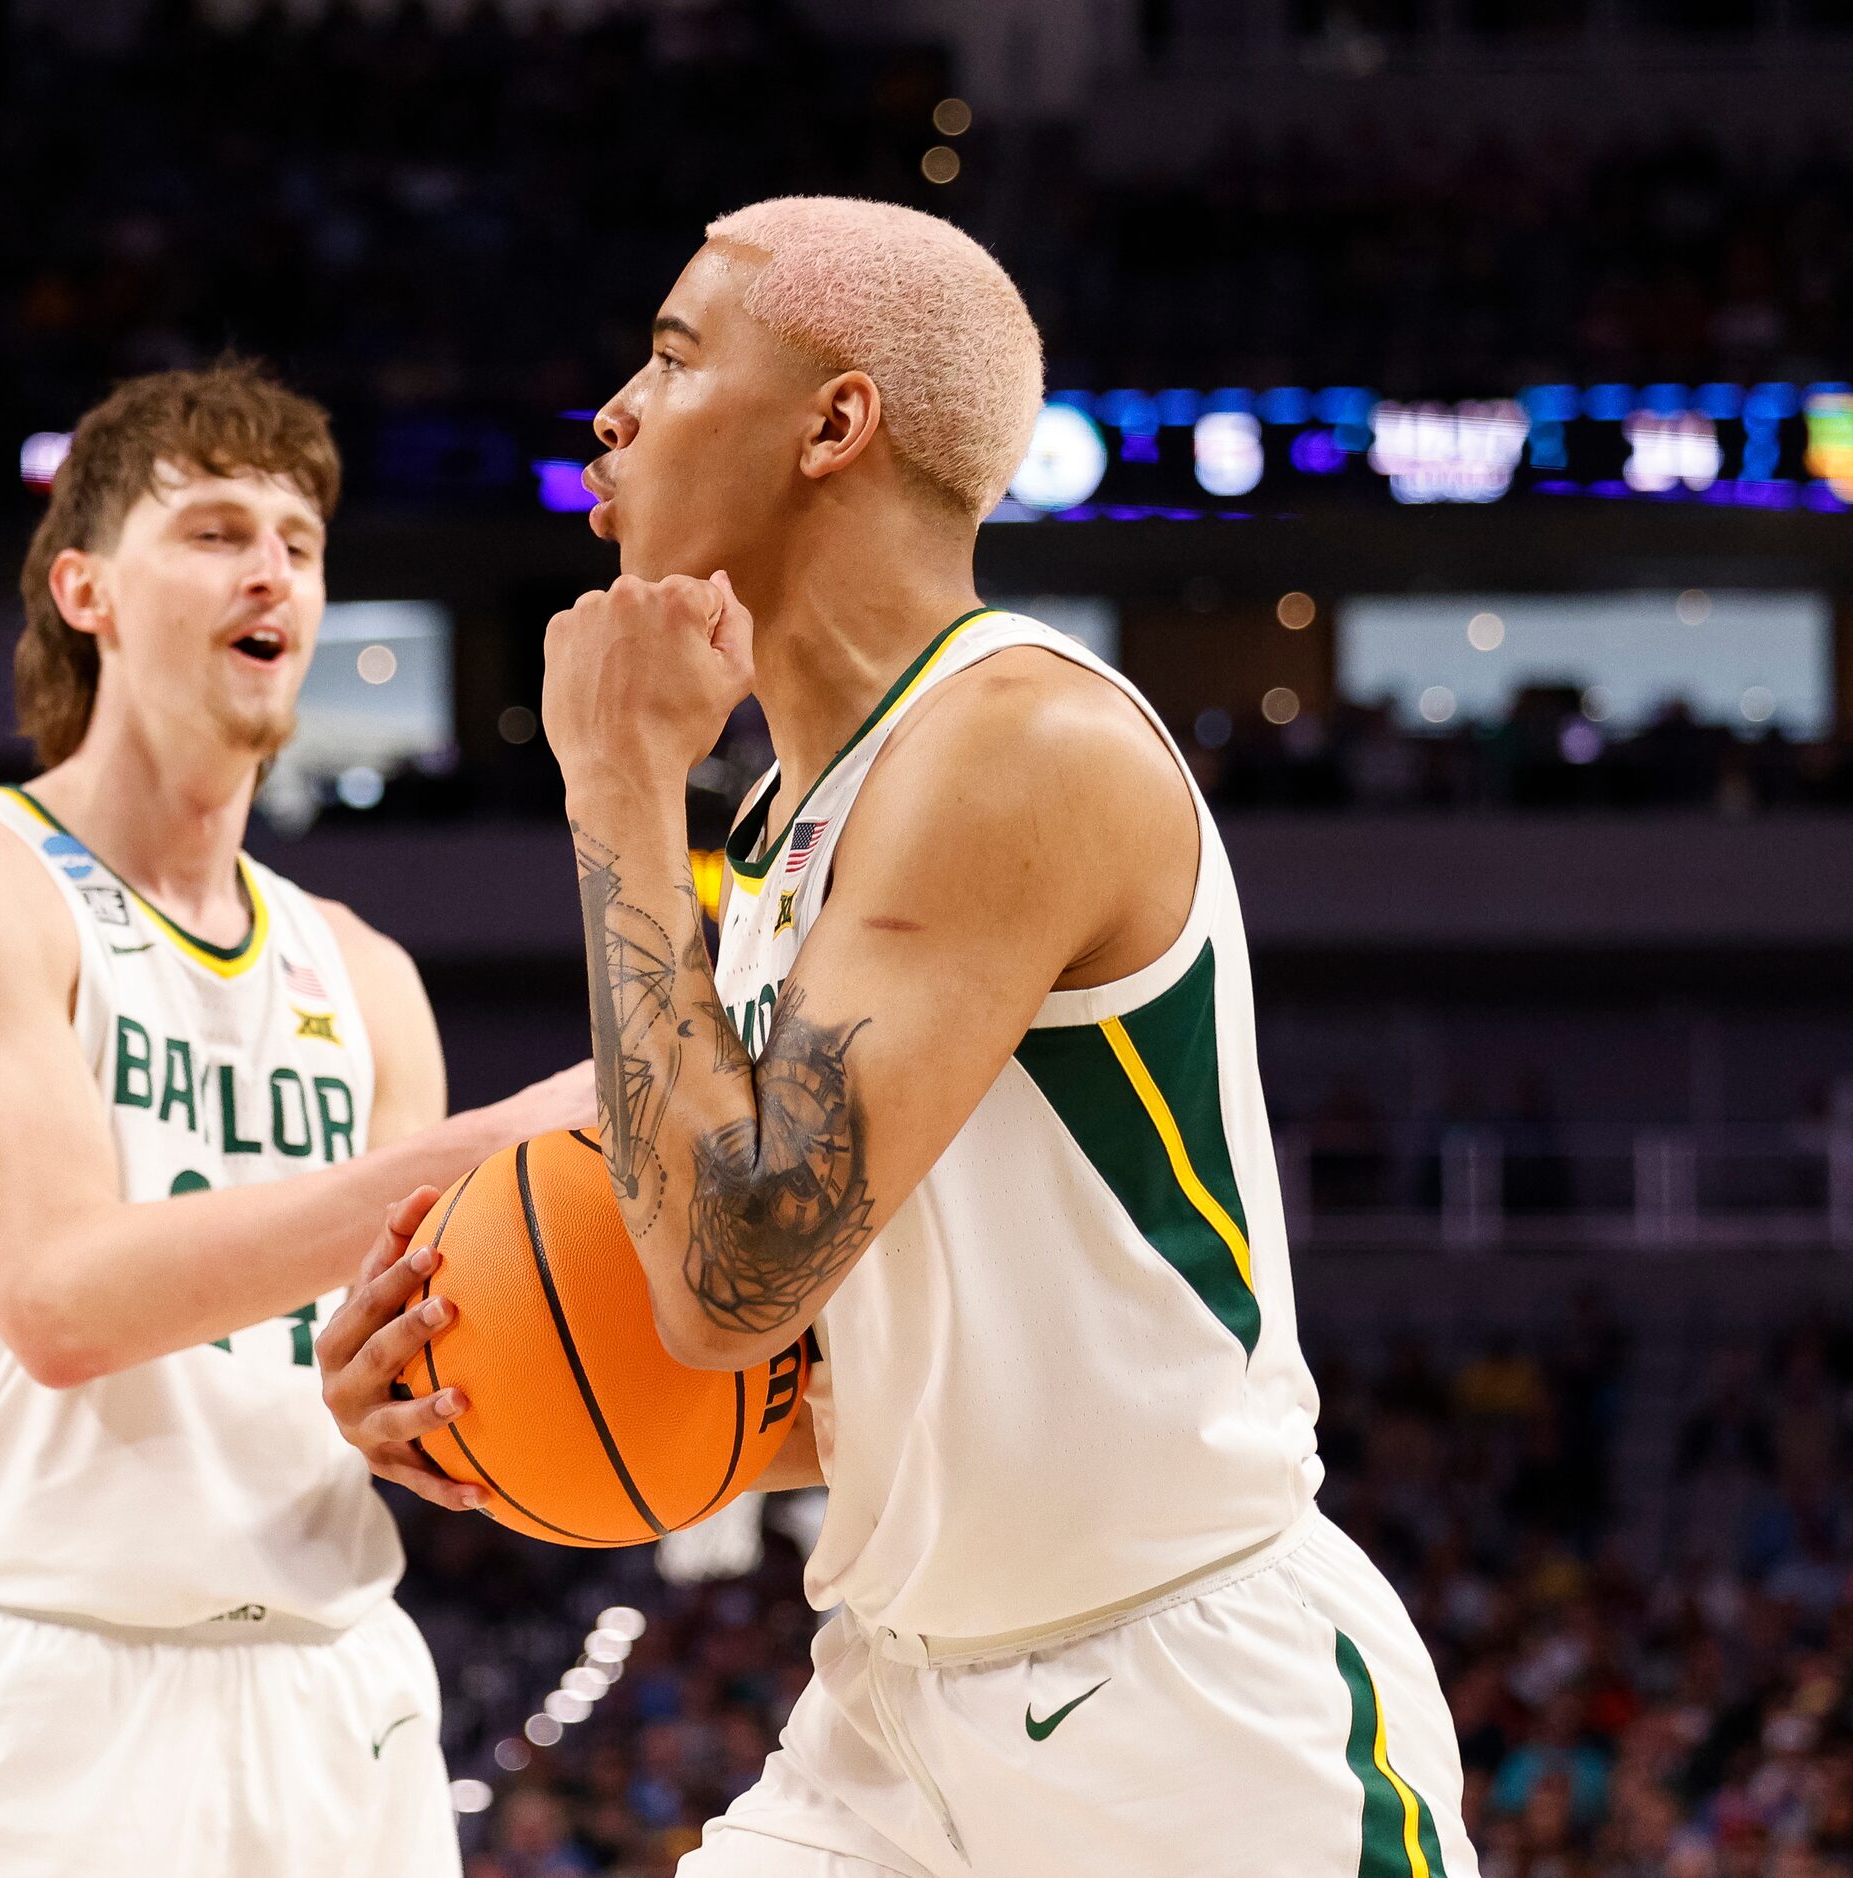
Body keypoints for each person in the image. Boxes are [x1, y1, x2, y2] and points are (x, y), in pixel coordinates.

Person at [320, 199, 1479, 1877]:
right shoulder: (796, 816)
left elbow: (730, 1276)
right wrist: (485, 1389)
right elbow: (855, 1361)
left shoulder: (1013, 741)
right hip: (899, 1700)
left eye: (669, 356)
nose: (611, 414)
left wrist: (622, 784)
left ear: (835, 423)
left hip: (1187, 1724)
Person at [0, 361, 591, 1877]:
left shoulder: (366, 976)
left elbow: (396, 1366)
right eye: (214, 528)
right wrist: (495, 1144)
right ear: (85, 587)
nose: (273, 569)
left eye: (303, 542)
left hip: (337, 1689)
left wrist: (432, 1399)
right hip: (52, 1695)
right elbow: (59, 1300)